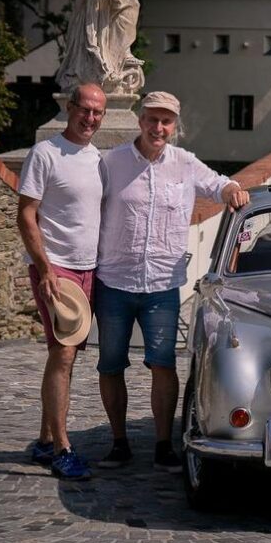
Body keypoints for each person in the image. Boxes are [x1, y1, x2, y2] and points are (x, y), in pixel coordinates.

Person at [95, 91, 249, 473]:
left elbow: (219, 184)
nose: (158, 127)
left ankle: (163, 446)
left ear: (174, 125)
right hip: (114, 281)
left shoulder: (185, 163)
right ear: (140, 120)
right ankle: (119, 443)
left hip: (162, 285)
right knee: (110, 365)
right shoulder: (111, 162)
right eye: (152, 119)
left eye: (166, 121)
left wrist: (233, 190)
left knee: (162, 364)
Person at [17, 82, 107, 480]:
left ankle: (44, 439)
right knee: (64, 354)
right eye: (84, 109)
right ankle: (62, 448)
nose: (90, 118)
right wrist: (45, 269)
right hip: (56, 269)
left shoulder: (98, 159)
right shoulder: (45, 153)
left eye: (97, 112)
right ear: (69, 108)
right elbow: (25, 214)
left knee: (64, 356)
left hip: (90, 269)